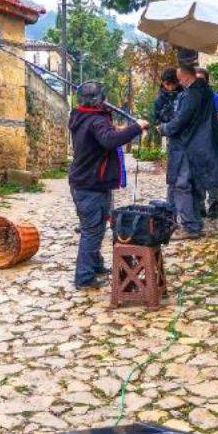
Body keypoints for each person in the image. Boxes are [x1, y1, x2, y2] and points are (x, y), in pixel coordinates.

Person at [68, 81, 149, 290]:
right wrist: (136, 127)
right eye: (103, 98)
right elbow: (110, 140)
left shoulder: (83, 116)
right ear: (97, 100)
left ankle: (95, 266)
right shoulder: (95, 120)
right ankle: (84, 278)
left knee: (99, 226)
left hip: (93, 183)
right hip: (89, 185)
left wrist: (123, 128)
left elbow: (104, 135)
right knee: (92, 230)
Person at [159, 60, 218, 240]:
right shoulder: (203, 90)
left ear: (184, 73)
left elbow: (180, 121)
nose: (177, 78)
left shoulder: (192, 94)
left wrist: (164, 129)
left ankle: (190, 226)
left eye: (179, 74)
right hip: (198, 145)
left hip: (188, 146)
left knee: (182, 186)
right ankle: (194, 223)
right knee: (194, 185)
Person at [194, 67, 218, 219]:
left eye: (201, 79)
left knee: (212, 173)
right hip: (196, 141)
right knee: (197, 174)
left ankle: (214, 204)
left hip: (211, 139)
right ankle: (199, 205)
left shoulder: (214, 97)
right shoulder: (191, 97)